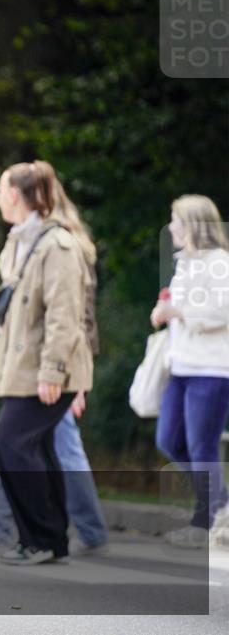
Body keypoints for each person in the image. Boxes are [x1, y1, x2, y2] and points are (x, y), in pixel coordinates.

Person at [0, 160, 93, 566]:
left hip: (44, 369)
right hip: (25, 367)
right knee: (37, 448)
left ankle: (39, 539)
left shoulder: (57, 245)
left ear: (13, 195)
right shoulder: (23, 240)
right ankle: (48, 540)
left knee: (12, 446)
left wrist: (53, 372)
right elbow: (13, 304)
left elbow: (64, 314)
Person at [151, 195, 229, 549]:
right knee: (169, 440)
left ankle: (207, 520)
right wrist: (164, 311)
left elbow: (221, 313)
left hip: (211, 370)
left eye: (176, 220)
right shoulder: (184, 263)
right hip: (180, 366)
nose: (171, 227)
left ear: (195, 224)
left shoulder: (220, 263)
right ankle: (220, 505)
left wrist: (177, 312)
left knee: (202, 448)